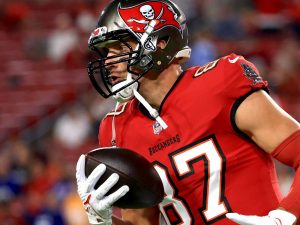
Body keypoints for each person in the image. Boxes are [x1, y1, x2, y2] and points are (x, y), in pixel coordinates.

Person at [75, 0, 300, 225]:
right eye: (106, 52)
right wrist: (103, 221)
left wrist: (285, 217)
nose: (108, 62)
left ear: (161, 42)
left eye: (120, 47)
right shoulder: (116, 126)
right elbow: (141, 222)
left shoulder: (221, 82)